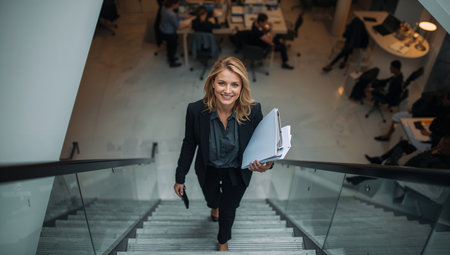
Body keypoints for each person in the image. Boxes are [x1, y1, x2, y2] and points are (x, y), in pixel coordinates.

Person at [173, 56, 273, 251]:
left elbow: (265, 145)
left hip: (237, 171)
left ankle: (222, 240)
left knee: (229, 210)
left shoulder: (253, 111)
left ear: (242, 87)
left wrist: (267, 164)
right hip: (209, 168)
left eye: (235, 84)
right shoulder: (195, 110)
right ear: (212, 83)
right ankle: (214, 206)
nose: (228, 91)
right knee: (212, 199)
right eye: (222, 83)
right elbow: (189, 143)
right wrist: (180, 177)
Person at [374, 91, 450, 142]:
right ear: (445, 98)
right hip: (418, 116)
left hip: (428, 121)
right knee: (396, 117)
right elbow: (419, 110)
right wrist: (413, 109)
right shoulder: (431, 99)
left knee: (415, 136)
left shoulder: (445, 108)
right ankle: (388, 136)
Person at [159, 0, 191, 67]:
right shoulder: (171, 14)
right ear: (173, 4)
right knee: (172, 47)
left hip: (163, 29)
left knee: (169, 46)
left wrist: (183, 17)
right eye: (178, 3)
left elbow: (175, 17)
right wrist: (188, 25)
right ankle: (172, 62)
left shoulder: (164, 8)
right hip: (169, 32)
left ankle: (170, 57)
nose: (179, 5)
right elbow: (178, 27)